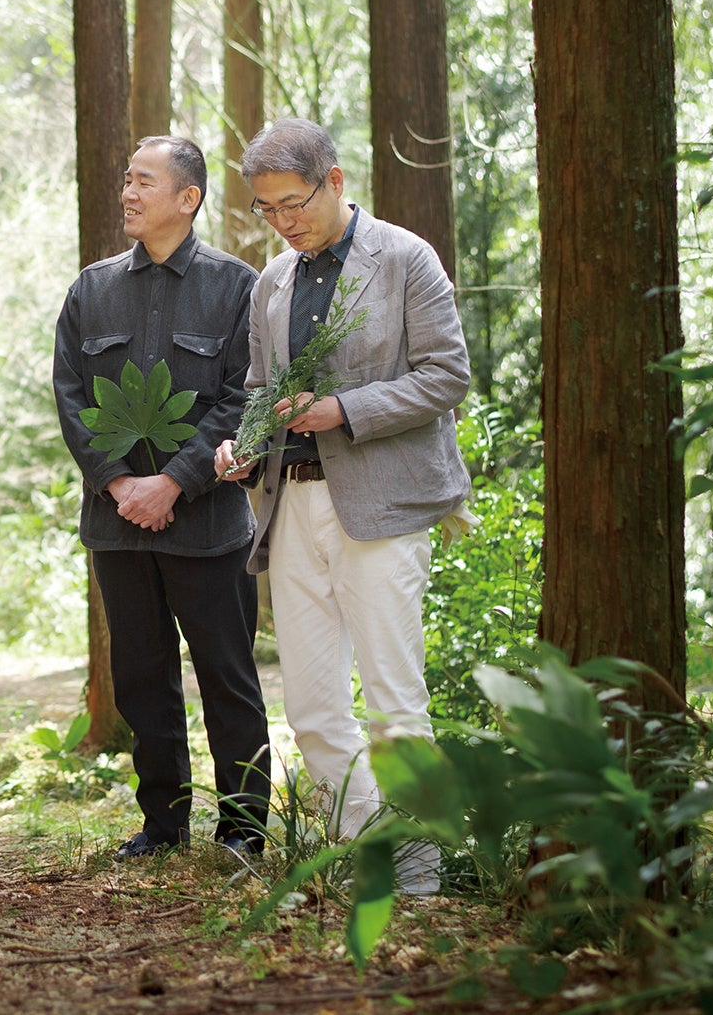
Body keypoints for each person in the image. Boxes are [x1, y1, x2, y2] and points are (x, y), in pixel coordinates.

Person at [214, 118, 470, 896]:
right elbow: (260, 390)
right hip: (290, 511)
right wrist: (243, 443)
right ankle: (364, 858)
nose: (284, 222)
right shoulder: (271, 283)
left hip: (384, 506)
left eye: (293, 202)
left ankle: (420, 872)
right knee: (315, 709)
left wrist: (344, 409)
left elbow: (446, 374)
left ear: (335, 180)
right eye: (266, 209)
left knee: (396, 698)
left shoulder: (404, 258)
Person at [52, 136, 271, 858]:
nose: (128, 192)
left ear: (189, 197)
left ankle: (244, 828)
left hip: (207, 524)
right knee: (143, 678)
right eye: (125, 177)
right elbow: (73, 396)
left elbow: (243, 396)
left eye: (144, 180)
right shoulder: (92, 289)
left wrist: (175, 479)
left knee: (226, 677)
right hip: (118, 524)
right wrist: (120, 482)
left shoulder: (239, 286)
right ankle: (164, 825)